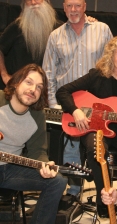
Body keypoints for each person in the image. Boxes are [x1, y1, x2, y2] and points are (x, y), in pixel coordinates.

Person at [56, 34, 117, 218]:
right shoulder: (97, 76)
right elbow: (63, 92)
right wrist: (75, 110)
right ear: (111, 56)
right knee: (95, 147)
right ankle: (103, 198)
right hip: (97, 128)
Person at [42, 0, 112, 198]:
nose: (74, 10)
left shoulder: (102, 29)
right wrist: (55, 103)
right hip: (68, 102)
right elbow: (48, 72)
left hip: (97, 103)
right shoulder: (55, 36)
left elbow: (112, 63)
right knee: (70, 146)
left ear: (85, 6)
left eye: (78, 5)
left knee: (94, 147)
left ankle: (102, 194)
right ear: (63, 8)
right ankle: (73, 191)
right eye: (69, 6)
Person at [0, 64, 67, 224]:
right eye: (28, 82)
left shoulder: (37, 115)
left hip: (10, 168)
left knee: (58, 181)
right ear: (16, 82)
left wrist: (44, 165)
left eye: (39, 87)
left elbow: (38, 151)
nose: (33, 89)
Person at [0, 0, 59, 89]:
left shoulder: (58, 28)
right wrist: (4, 75)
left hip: (45, 90)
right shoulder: (16, 27)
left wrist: (90, 21)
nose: (33, 2)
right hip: (17, 88)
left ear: (45, 0)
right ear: (24, 4)